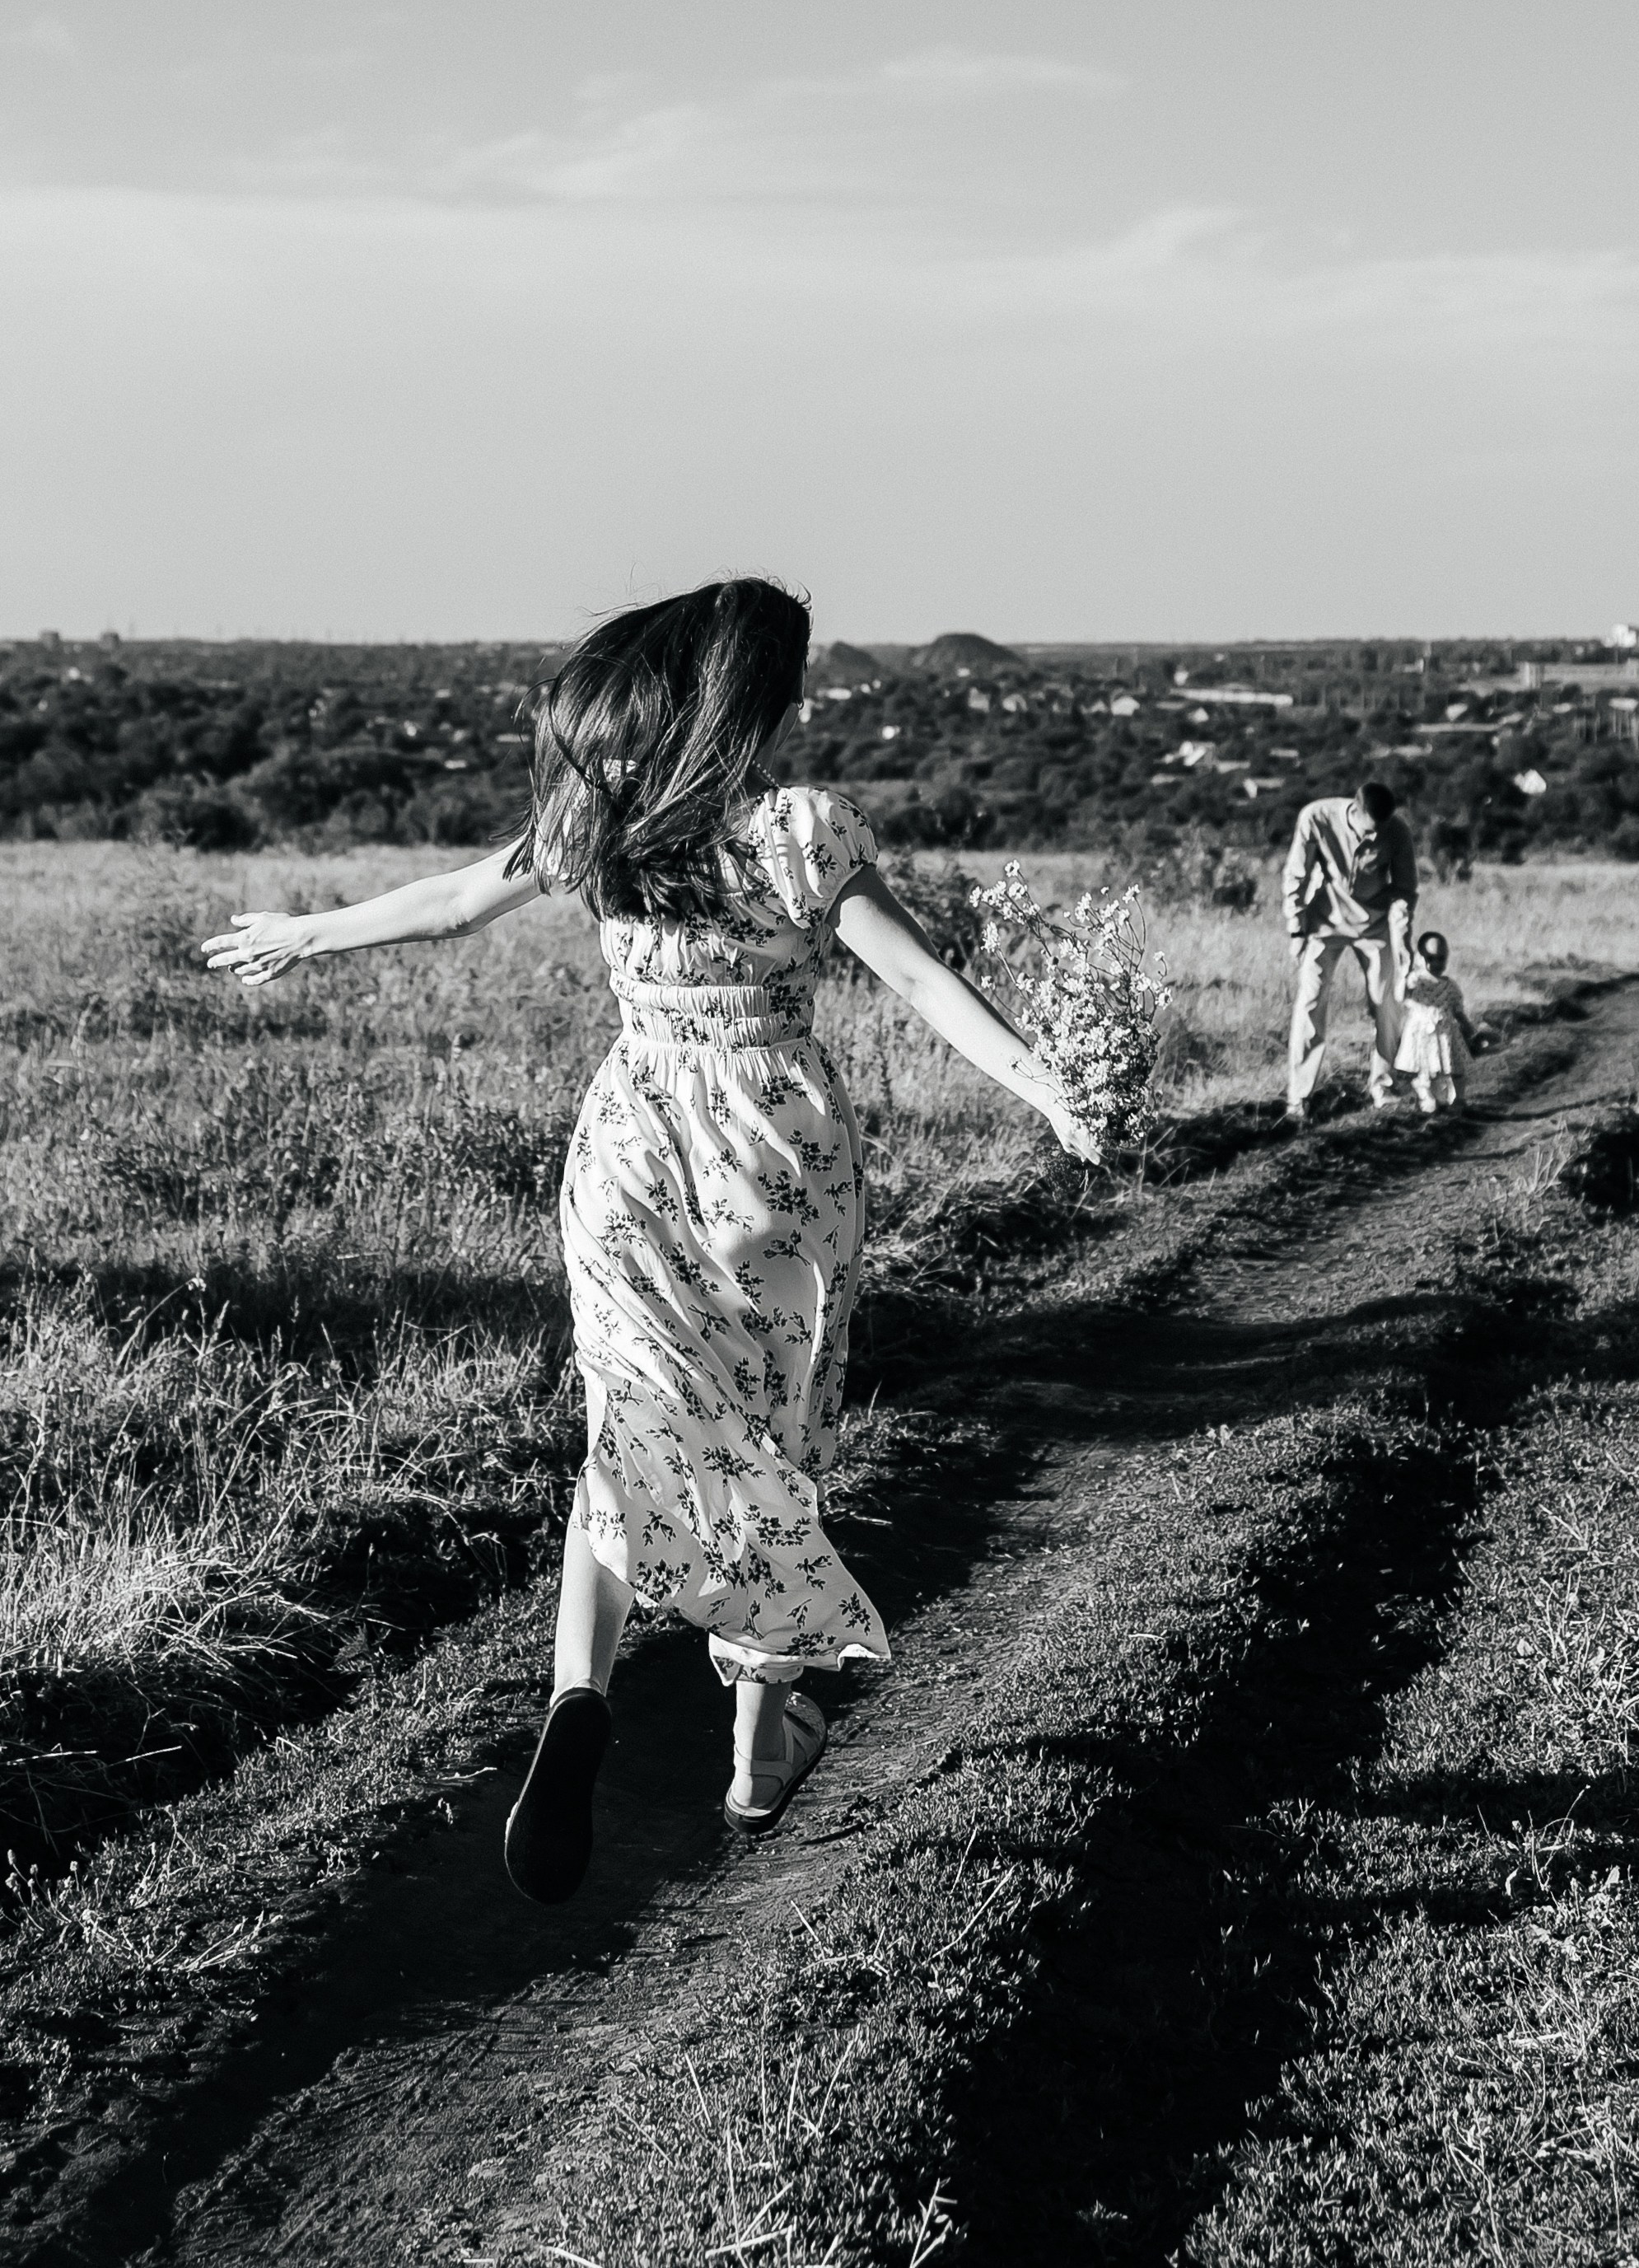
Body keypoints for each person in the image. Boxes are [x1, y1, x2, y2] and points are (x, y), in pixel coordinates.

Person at [203, 580, 1095, 1900]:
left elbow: (456, 896)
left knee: (628, 1421)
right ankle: (755, 1742)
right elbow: (915, 978)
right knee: (769, 1432)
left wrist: (305, 931)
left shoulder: (609, 813)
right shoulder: (799, 828)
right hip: (775, 1165)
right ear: (768, 699)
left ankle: (581, 1693)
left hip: (629, 1151)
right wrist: (1049, 1084)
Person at [1280, 777, 1417, 1122]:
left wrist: (1403, 940)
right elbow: (1297, 874)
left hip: (1374, 924)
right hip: (1324, 922)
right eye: (1370, 829)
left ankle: (1382, 1086)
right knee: (1310, 1000)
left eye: (1380, 831)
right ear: (1354, 811)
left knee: (1386, 999)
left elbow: (1404, 890)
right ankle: (1299, 1099)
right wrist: (1296, 929)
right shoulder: (1316, 817)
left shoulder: (1397, 832)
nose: (1375, 837)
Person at [1396, 928, 1471, 1115]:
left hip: (1446, 1033)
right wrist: (1405, 972)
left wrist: (1468, 1026)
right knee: (1426, 1070)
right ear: (1420, 958)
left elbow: (1457, 1009)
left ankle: (1459, 1099)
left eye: (1441, 958)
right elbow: (1400, 996)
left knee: (1455, 1067)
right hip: (1422, 1034)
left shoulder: (1450, 985)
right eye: (1430, 958)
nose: (1436, 963)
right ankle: (1428, 1098)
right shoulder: (1416, 980)